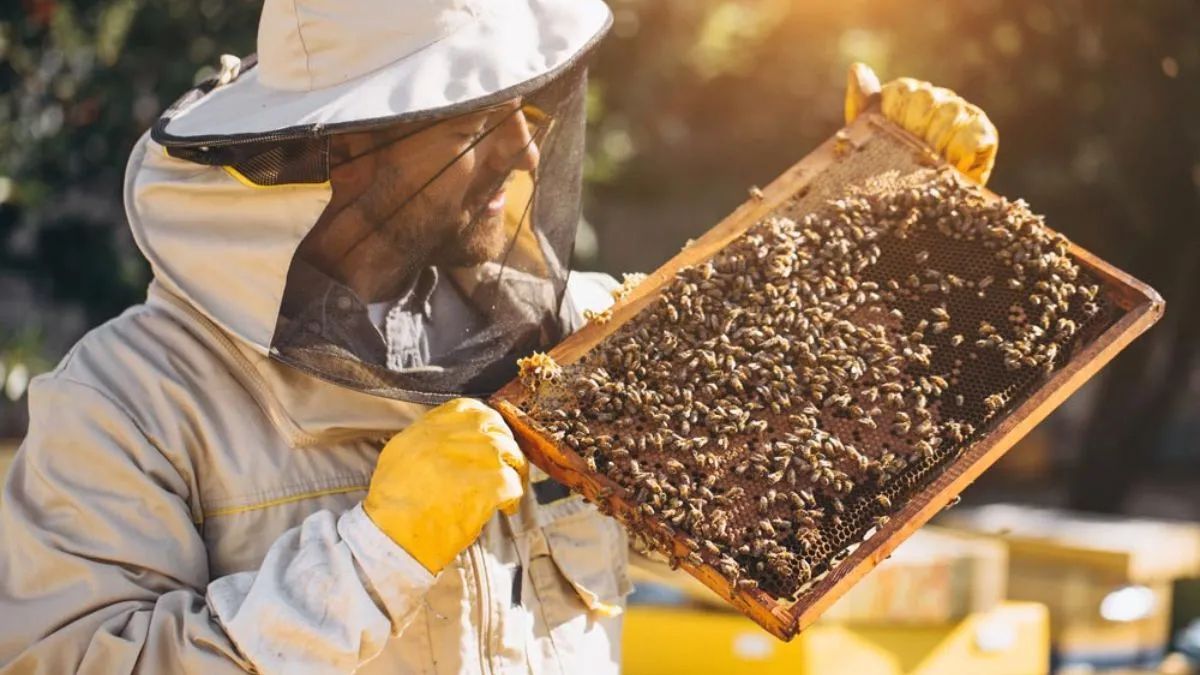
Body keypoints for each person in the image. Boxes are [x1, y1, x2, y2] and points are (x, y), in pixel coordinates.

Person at [0, 0, 998, 672]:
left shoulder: (556, 333)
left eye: (531, 107)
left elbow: (775, 480)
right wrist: (371, 558)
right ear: (347, 138)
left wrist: (884, 224)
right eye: (478, 120)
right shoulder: (128, 402)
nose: (526, 146)